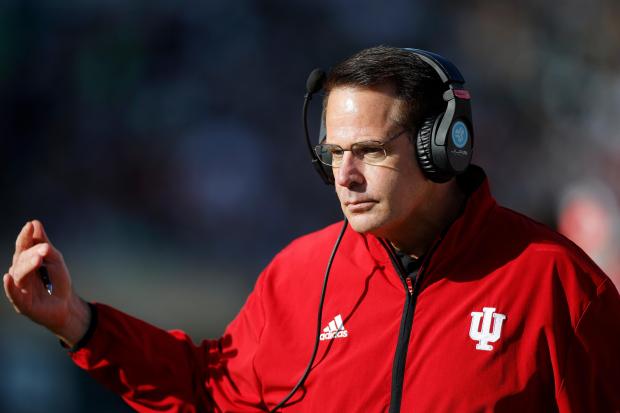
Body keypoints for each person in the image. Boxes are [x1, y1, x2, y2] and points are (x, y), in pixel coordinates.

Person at [4, 46, 620, 412]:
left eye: (369, 150)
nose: (342, 176)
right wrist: (80, 324)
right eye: (332, 153)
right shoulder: (299, 272)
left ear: (444, 149)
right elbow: (210, 391)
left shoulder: (557, 284)